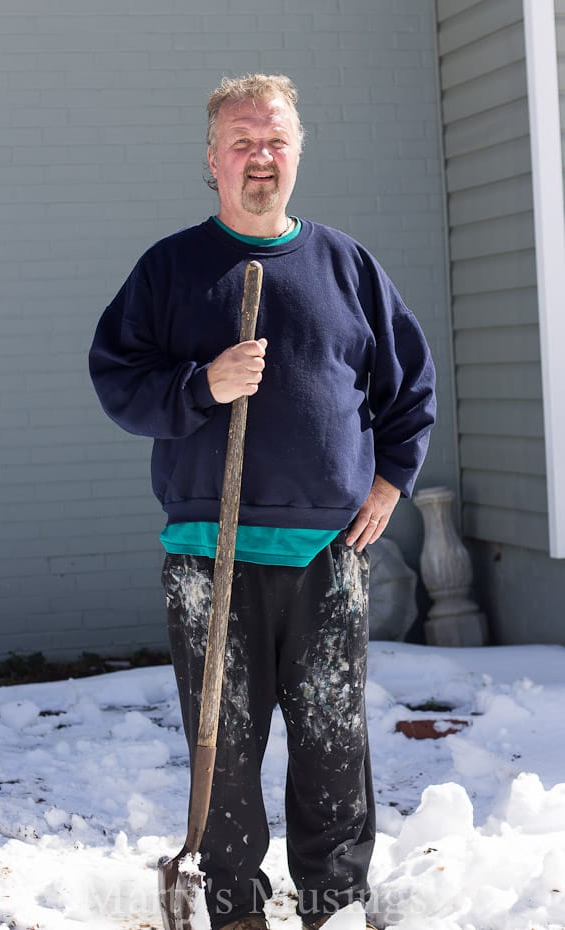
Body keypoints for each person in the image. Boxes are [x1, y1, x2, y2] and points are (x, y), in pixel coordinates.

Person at [89, 73, 436, 930]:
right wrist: (202, 385)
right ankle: (236, 908)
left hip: (325, 556)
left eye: (275, 141)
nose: (260, 158)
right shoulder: (170, 270)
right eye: (241, 143)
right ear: (211, 160)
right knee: (225, 747)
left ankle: (331, 903)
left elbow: (409, 388)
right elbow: (118, 383)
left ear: (298, 152)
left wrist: (391, 482)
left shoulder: (345, 266)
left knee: (330, 743)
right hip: (210, 557)